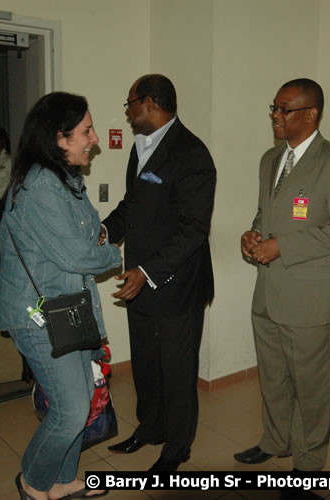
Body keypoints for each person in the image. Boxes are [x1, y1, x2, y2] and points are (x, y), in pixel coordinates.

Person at [235, 78, 330, 478]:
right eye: (273, 107)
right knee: (273, 379)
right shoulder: (269, 160)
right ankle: (275, 442)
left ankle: (309, 465)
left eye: (284, 109)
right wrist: (253, 234)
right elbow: (265, 216)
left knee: (311, 390)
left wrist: (281, 246)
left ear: (311, 114)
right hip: (269, 294)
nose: (275, 115)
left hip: (310, 301)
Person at [0, 91, 120, 499]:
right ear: (59, 138)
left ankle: (63, 482)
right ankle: (33, 479)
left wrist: (96, 242)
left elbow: (89, 230)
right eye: (86, 131)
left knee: (80, 405)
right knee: (70, 412)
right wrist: (112, 254)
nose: (95, 138)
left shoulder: (64, 180)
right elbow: (79, 254)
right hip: (40, 317)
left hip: (66, 310)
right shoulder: (41, 186)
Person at [102, 74, 216, 473]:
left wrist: (147, 271)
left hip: (176, 284)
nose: (128, 112)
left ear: (148, 102)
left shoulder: (192, 154)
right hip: (140, 283)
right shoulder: (141, 148)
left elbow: (194, 230)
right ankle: (150, 428)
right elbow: (131, 206)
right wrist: (104, 233)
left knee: (178, 371)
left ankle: (177, 449)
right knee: (147, 364)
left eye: (130, 103)